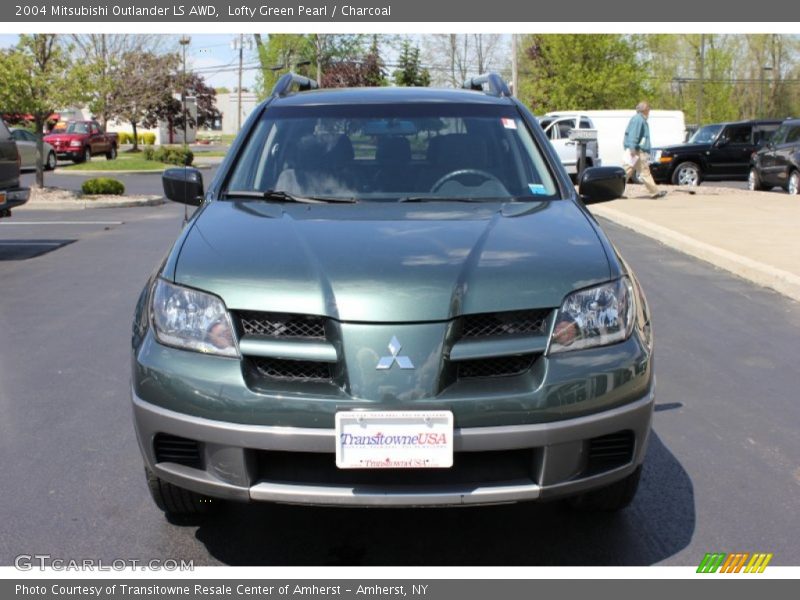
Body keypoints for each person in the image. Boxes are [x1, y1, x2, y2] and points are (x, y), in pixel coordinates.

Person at [623, 101, 667, 199]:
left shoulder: (638, 119)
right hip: (637, 150)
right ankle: (654, 192)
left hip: (635, 149)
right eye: (648, 109)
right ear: (645, 110)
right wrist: (633, 149)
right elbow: (634, 135)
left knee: (627, 172)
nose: (649, 111)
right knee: (642, 171)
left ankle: (615, 191)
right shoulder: (639, 120)